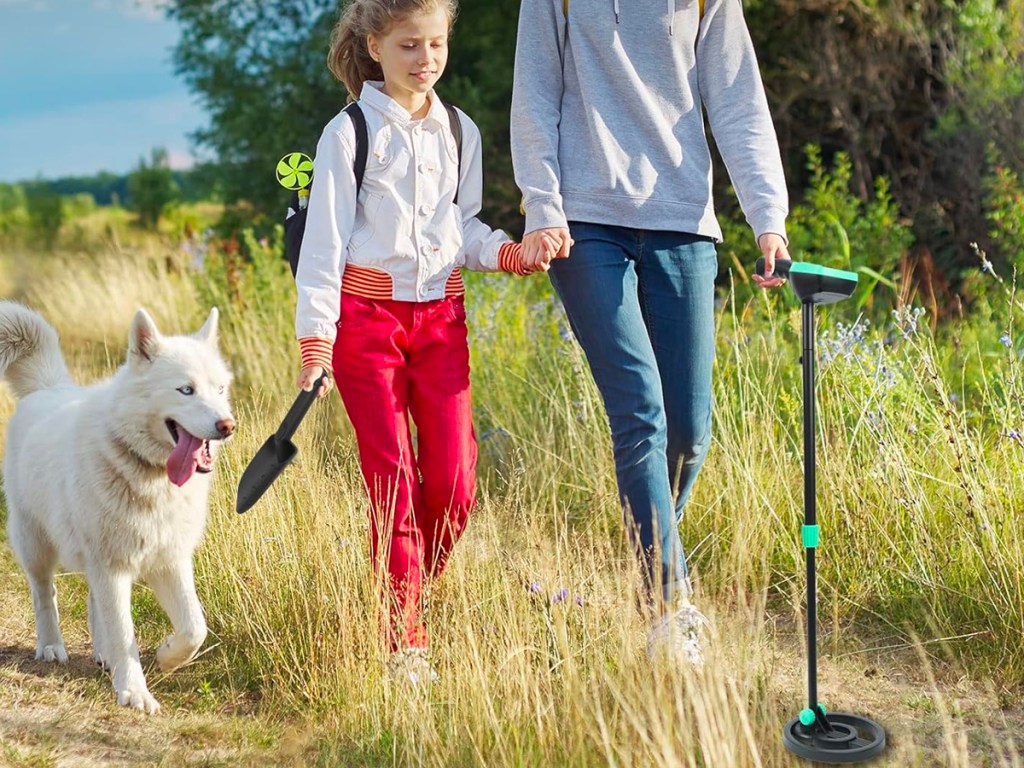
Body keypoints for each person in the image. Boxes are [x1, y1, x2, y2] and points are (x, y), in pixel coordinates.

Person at [510, 0, 791, 666]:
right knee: (640, 409)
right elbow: (536, 93)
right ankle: (670, 605)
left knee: (691, 428)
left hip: (683, 219)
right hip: (583, 222)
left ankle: (648, 560)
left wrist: (767, 217)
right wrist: (542, 207)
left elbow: (737, 97)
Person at [294, 0, 552, 685]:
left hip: (442, 324)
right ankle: (404, 639)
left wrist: (507, 254)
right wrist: (315, 345)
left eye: (436, 44)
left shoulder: (459, 131)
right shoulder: (347, 134)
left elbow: (460, 228)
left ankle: (406, 581)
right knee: (394, 483)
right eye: (410, 45)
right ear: (374, 46)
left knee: (455, 480)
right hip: (365, 327)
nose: (426, 59)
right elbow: (322, 249)